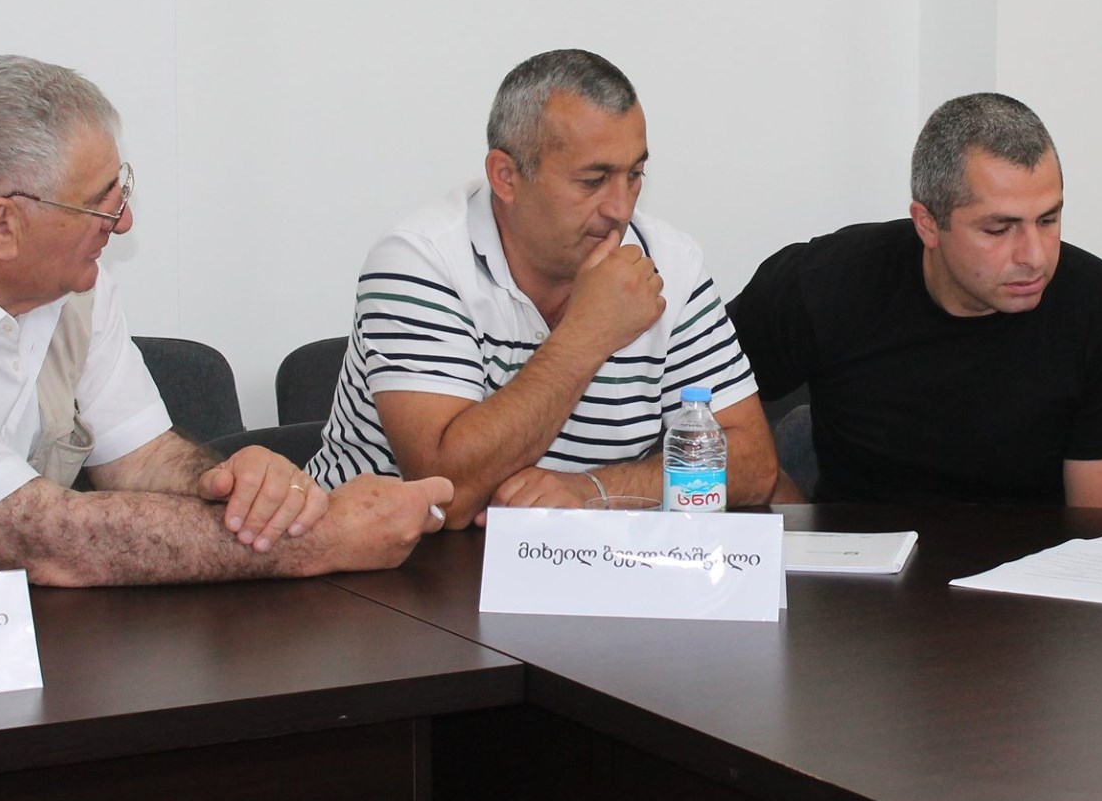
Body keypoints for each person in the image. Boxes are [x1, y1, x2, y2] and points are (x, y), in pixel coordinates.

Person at [0, 56, 449, 584]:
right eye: (102, 201)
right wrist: (316, 539)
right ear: (2, 224)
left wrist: (234, 483)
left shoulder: (63, 275)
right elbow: (34, 537)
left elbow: (144, 460)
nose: (123, 222)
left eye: (121, 187)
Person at [307, 49, 776, 525]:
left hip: (571, 561)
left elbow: (753, 465)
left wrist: (594, 490)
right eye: (593, 180)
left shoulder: (670, 262)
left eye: (634, 175)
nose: (621, 208)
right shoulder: (420, 260)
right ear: (506, 177)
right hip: (384, 560)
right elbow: (445, 496)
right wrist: (587, 334)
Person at [729, 93, 1102, 507]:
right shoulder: (825, 284)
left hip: (1042, 561)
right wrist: (787, 514)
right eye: (999, 229)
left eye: (1048, 220)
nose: (1034, 257)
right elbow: (697, 404)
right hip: (857, 556)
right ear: (927, 224)